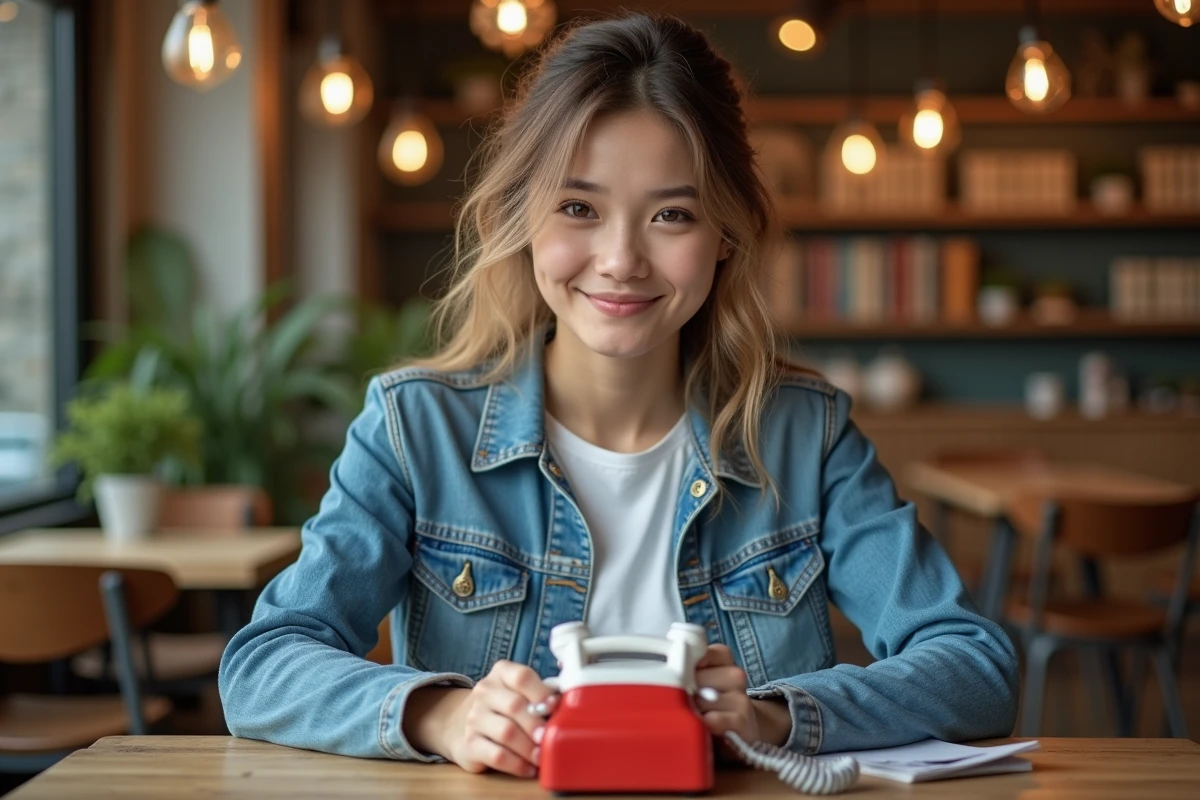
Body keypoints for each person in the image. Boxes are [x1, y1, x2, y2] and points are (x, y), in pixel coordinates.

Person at [219, 13, 1017, 778]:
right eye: (578, 208)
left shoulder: (806, 439)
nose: (621, 259)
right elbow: (262, 665)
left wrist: (774, 718)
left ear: (725, 236)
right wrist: (441, 715)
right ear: (523, 217)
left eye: (672, 214)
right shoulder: (412, 429)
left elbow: (975, 668)